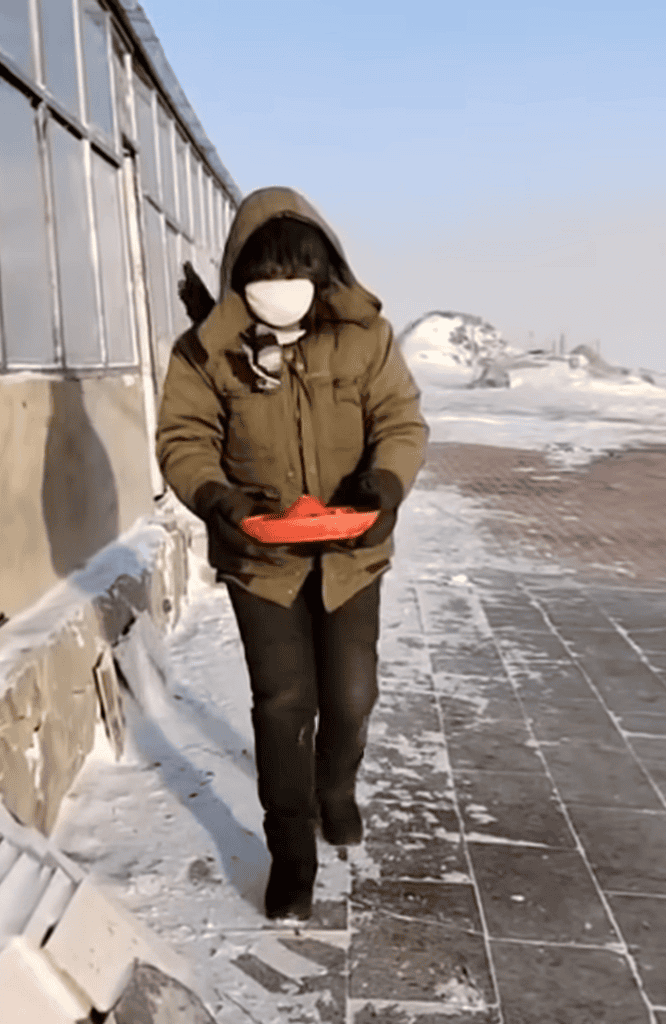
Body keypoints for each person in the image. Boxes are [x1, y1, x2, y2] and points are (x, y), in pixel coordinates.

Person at [155, 187, 428, 920]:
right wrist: (218, 499)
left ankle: (335, 787)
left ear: (324, 269)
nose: (282, 287)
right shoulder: (206, 350)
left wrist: (384, 485)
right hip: (261, 560)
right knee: (283, 705)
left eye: (297, 270)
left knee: (351, 695)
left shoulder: (365, 337)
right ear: (239, 276)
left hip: (351, 554)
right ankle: (291, 854)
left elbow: (400, 421)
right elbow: (184, 438)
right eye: (265, 273)